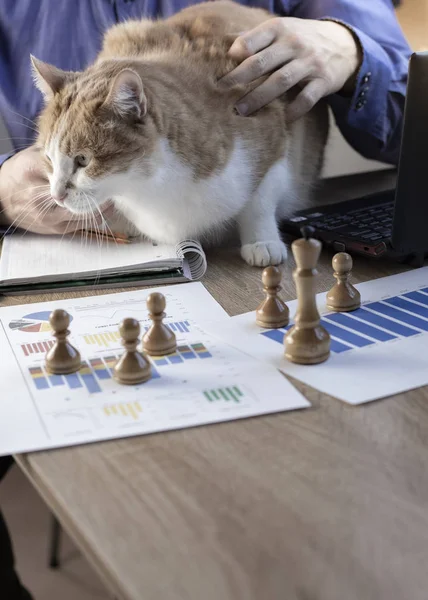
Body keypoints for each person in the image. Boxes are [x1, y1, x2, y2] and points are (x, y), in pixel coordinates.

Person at [0, 1, 411, 598]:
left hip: (247, 281)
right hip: (68, 271)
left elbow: (408, 103)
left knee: (322, 476)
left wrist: (350, 51)